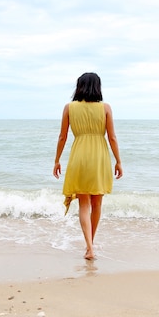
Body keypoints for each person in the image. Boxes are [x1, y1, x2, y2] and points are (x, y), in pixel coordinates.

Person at [53, 72, 123, 260]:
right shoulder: (106, 108)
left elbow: (62, 136)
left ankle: (89, 247)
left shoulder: (69, 108)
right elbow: (112, 137)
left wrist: (57, 160)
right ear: (97, 87)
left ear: (79, 86)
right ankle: (90, 245)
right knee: (97, 203)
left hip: (79, 156)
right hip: (99, 156)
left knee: (84, 204)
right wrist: (118, 161)